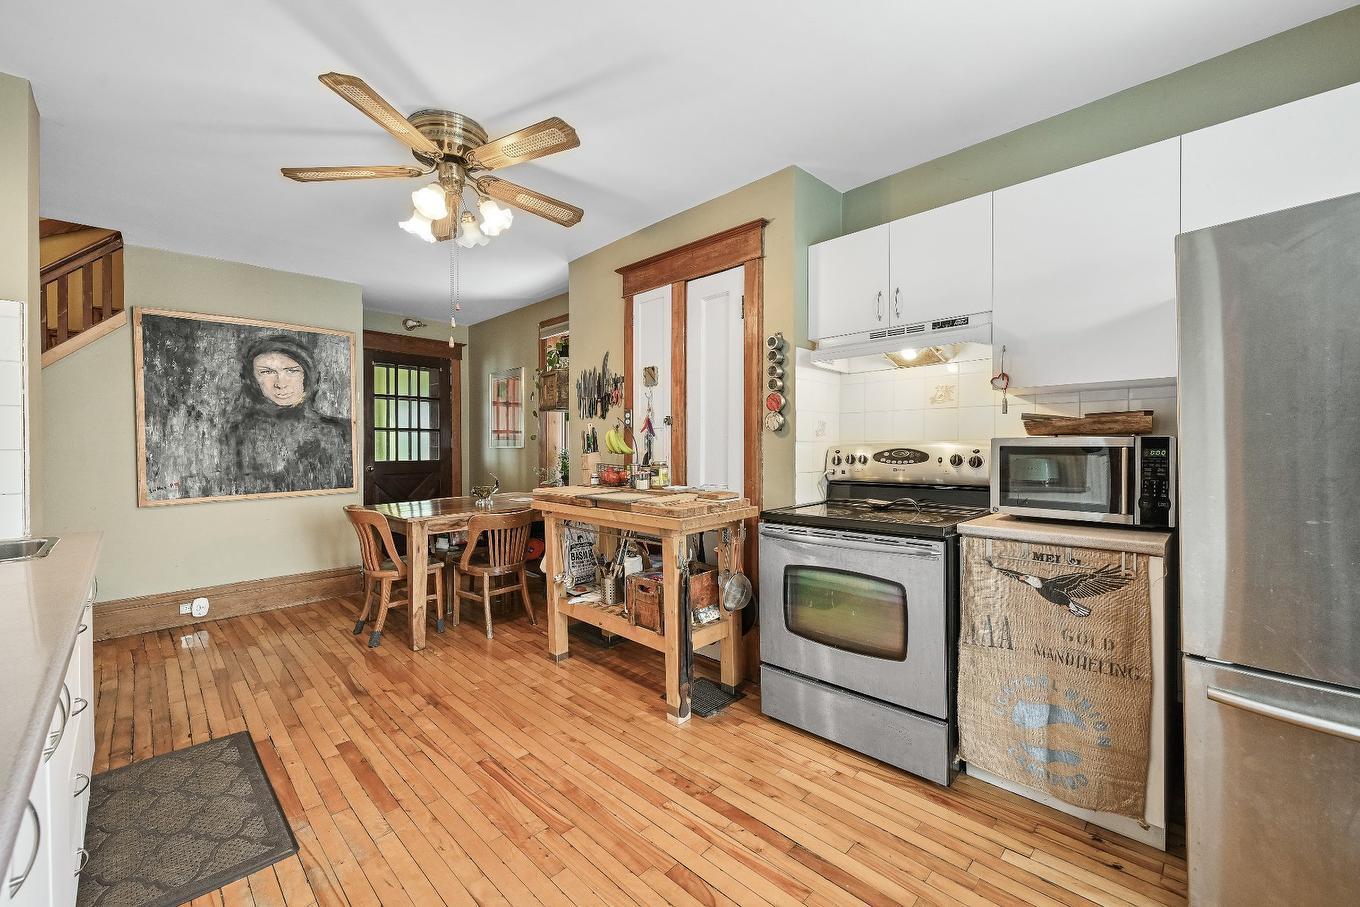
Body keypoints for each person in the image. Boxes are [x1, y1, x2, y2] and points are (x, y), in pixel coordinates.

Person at [227, 334, 352, 493]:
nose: (280, 384)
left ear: (307, 375)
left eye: (291, 371)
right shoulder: (239, 432)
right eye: (267, 372)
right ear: (252, 379)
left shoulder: (341, 431)